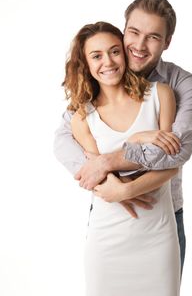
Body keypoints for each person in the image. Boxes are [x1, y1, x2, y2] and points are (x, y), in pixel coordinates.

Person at [54, 0, 192, 275]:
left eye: (153, 37)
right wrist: (105, 183)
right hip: (109, 212)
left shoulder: (177, 85)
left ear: (166, 42)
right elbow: (63, 139)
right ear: (124, 31)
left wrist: (121, 178)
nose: (140, 45)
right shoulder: (99, 83)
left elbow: (177, 152)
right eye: (133, 32)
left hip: (164, 214)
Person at [63, 21, 180, 295]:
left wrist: (126, 189)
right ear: (86, 64)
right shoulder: (83, 117)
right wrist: (137, 139)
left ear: (125, 54)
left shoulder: (160, 96)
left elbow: (172, 165)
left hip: (157, 236)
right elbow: (96, 177)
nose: (108, 62)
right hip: (107, 240)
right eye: (97, 55)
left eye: (115, 51)